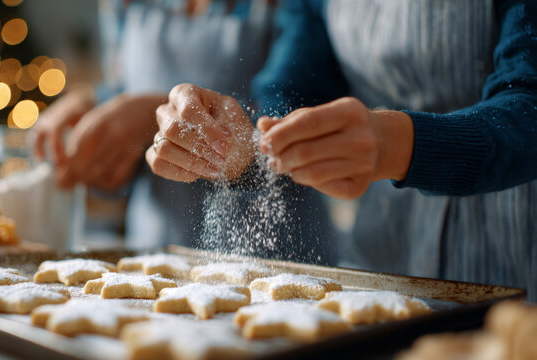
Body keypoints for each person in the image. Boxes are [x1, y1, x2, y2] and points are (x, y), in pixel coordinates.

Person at [146, 0, 537, 299]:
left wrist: (397, 144)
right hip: (384, 267)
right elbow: (293, 94)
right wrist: (243, 146)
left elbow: (529, 101)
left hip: (516, 255)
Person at [34, 0, 340, 264]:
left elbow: (296, 118)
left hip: (276, 258)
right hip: (152, 251)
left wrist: (154, 114)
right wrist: (96, 109)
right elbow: (125, 85)